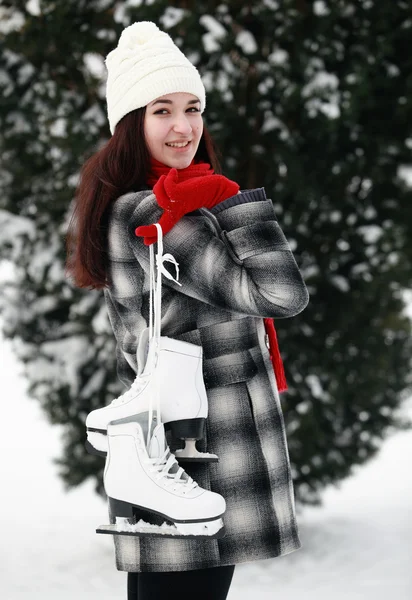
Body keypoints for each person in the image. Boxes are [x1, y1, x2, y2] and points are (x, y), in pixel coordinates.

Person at [65, 20, 309, 600]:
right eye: (161, 111)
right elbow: (280, 293)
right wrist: (232, 202)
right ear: (131, 125)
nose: (183, 126)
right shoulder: (156, 215)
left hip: (174, 445)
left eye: (193, 107)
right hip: (196, 452)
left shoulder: (153, 207)